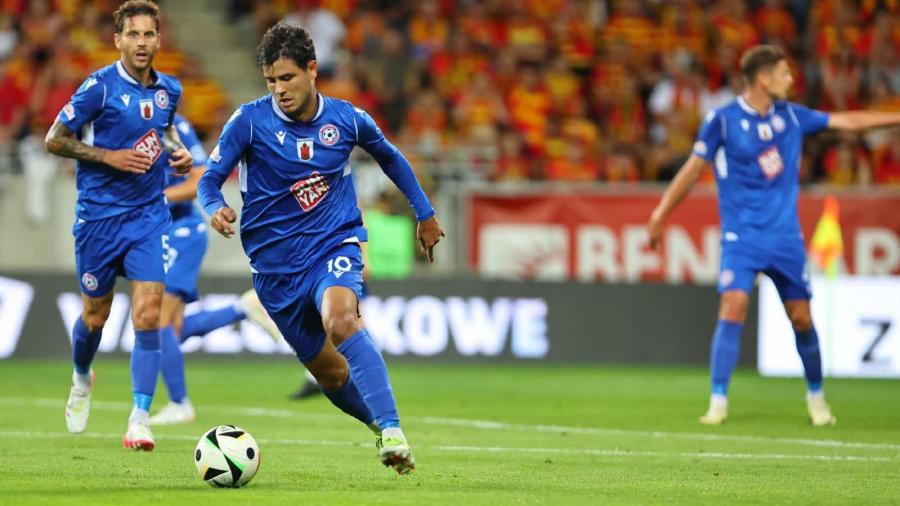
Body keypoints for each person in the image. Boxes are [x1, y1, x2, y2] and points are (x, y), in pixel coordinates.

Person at [198, 22, 444, 474]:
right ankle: (378, 428)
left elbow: (390, 157)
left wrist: (424, 213)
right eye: (270, 81)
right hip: (275, 272)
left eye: (287, 78)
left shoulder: (347, 120)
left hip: (333, 244)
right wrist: (214, 207)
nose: (279, 90)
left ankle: (393, 429)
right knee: (329, 373)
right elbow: (209, 180)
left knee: (342, 320)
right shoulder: (249, 121)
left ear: (312, 69)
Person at [647, 44, 900, 426]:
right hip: (742, 238)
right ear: (764, 79)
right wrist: (660, 213)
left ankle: (816, 397)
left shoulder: (792, 117)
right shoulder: (723, 120)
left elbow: (848, 122)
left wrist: (894, 117)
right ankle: (717, 403)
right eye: (784, 73)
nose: (791, 79)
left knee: (801, 318)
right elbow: (693, 169)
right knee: (733, 304)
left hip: (785, 239)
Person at [44, 0, 193, 450]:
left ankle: (139, 419)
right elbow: (54, 139)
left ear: (158, 39)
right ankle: (81, 376)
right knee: (96, 316)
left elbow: (166, 131)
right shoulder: (99, 88)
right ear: (118, 40)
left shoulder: (169, 89)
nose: (141, 43)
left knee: (148, 312)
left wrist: (178, 152)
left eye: (148, 34)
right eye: (133, 34)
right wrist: (108, 156)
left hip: (148, 216)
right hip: (99, 220)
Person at [150, 113, 285, 425]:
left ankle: (179, 403)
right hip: (155, 234)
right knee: (171, 330)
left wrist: (153, 199)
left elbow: (199, 179)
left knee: (158, 321)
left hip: (181, 232)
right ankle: (242, 308)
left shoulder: (173, 125)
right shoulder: (125, 125)